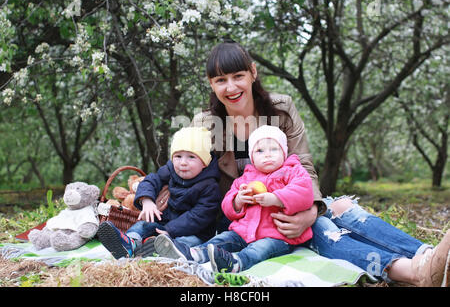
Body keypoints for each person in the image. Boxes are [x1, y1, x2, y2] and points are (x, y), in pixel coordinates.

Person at [157, 40, 449, 286]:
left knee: (341, 208)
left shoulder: (281, 110)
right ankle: (413, 272)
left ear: (253, 73)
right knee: (320, 231)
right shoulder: (205, 124)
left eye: (237, 76)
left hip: (289, 200)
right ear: (211, 84)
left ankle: (432, 255)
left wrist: (310, 209)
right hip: (246, 217)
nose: (231, 87)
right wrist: (155, 193)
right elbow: (184, 170)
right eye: (220, 80)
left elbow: (304, 166)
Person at [154, 125, 315, 272]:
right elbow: (227, 205)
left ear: (284, 153)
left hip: (276, 235)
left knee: (259, 250)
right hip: (243, 232)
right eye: (260, 151)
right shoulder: (247, 177)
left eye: (274, 149)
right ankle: (193, 254)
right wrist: (238, 201)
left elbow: (305, 193)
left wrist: (276, 198)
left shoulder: (292, 171)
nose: (267, 155)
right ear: (252, 155)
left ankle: (235, 262)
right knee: (222, 239)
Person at [97, 127, 222, 259]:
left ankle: (159, 251)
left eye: (191, 157)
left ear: (204, 163)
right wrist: (147, 200)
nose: (183, 163)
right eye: (178, 156)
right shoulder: (170, 169)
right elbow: (151, 180)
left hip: (195, 232)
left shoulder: (210, 186)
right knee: (142, 225)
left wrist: (171, 230)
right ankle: (129, 243)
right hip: (164, 224)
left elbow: (198, 217)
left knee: (188, 243)